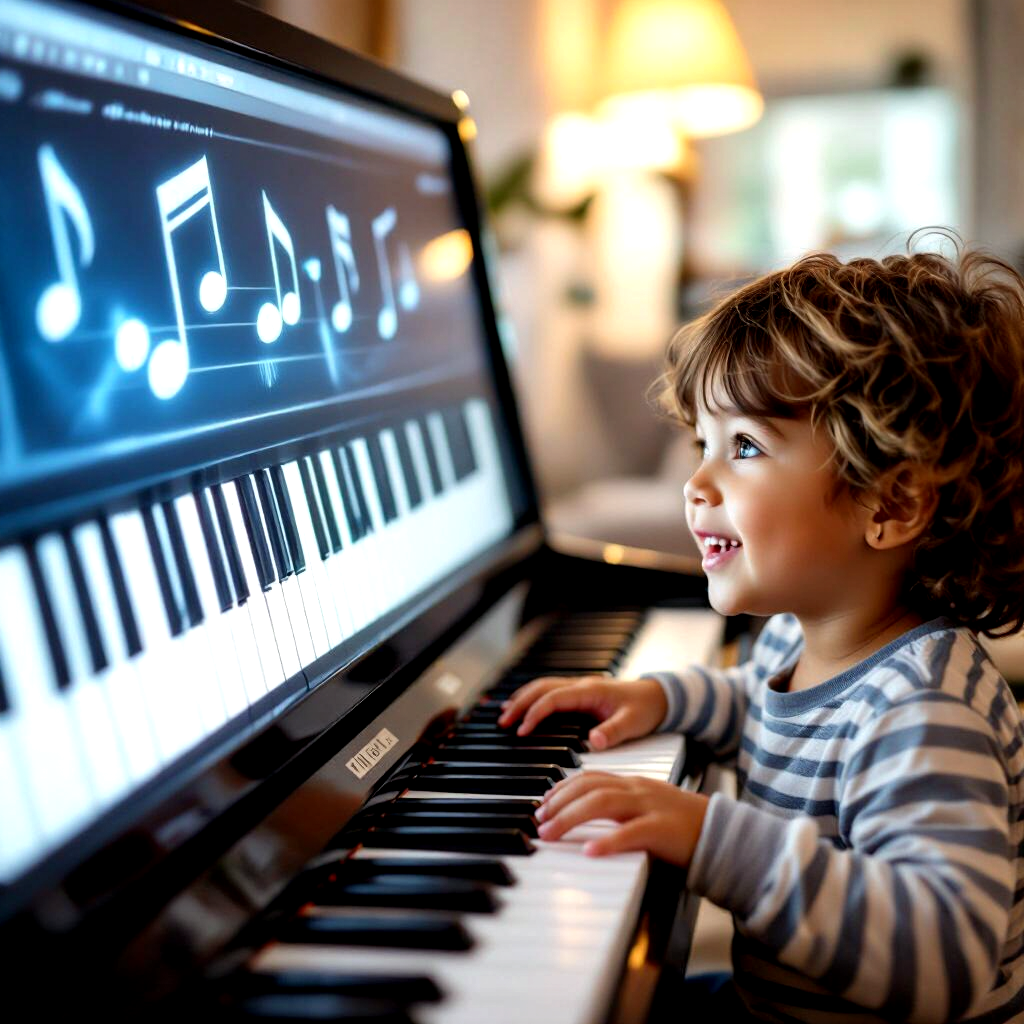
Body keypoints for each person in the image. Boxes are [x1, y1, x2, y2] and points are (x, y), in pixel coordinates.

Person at [499, 237, 1024, 1022]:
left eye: (744, 446)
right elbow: (759, 701)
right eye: (702, 445)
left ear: (890, 505)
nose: (696, 483)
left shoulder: (922, 711)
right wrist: (662, 699)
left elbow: (945, 955)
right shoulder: (800, 637)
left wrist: (712, 838)